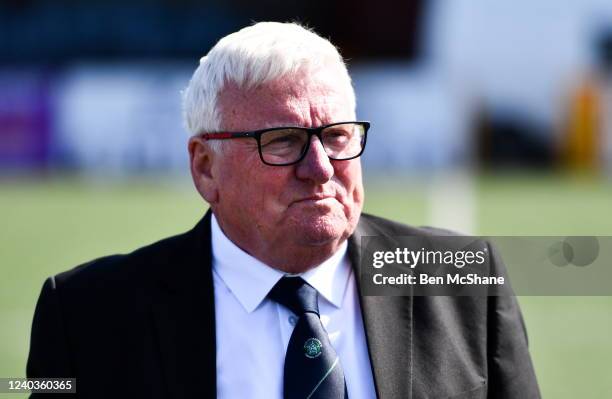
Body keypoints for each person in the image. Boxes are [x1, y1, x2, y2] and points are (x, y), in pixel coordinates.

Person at [27, 22, 540, 398]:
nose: (320, 167)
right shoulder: (86, 314)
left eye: (337, 136)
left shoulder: (464, 278)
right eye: (283, 141)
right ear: (206, 167)